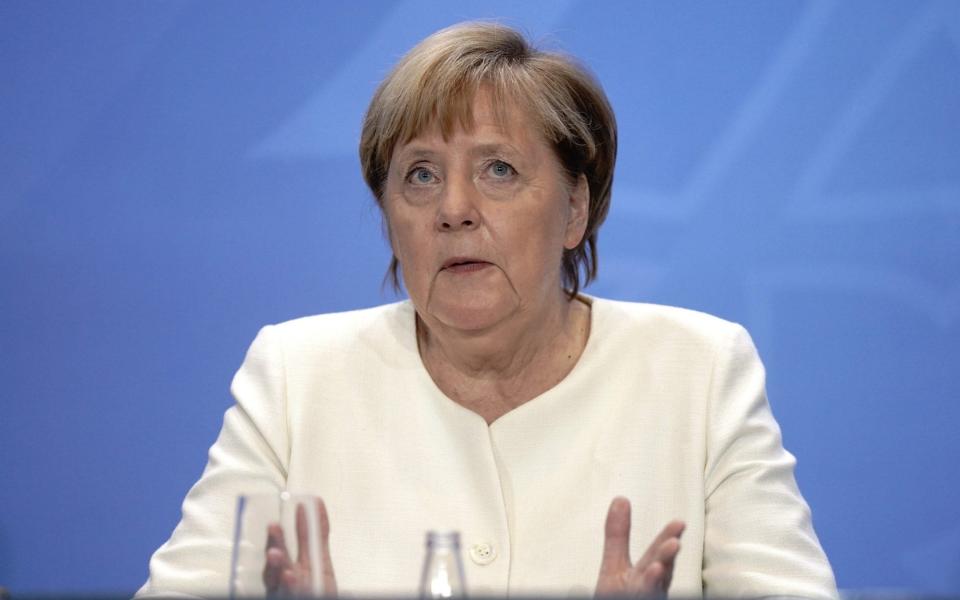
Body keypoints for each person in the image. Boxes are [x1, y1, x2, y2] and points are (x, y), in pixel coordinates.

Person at [138, 21, 838, 598]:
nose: (453, 210)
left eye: (498, 169)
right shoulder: (296, 376)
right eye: (420, 175)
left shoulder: (700, 371)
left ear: (575, 209)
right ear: (389, 217)